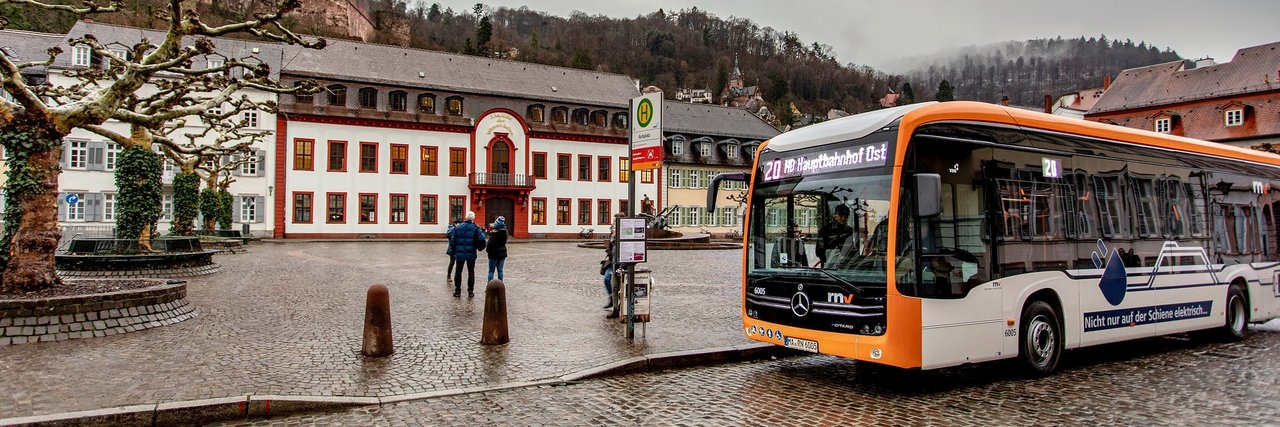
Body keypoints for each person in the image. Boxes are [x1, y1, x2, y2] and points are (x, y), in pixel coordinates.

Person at [448, 211, 487, 298]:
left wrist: (453, 251)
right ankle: (470, 291)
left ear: (465, 217)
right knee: (471, 272)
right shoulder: (476, 228)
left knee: (458, 272)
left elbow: (452, 240)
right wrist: (480, 247)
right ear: (473, 218)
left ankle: (457, 291)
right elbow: (482, 239)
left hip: (459, 253)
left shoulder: (458, 227)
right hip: (471, 253)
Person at [486, 216, 509, 282]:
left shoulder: (494, 234)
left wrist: (488, 251)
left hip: (493, 254)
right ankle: (501, 284)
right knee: (500, 270)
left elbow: (489, 245)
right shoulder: (505, 232)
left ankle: (489, 285)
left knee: (491, 271)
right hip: (502, 253)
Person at [445, 220, 460, 284]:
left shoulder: (458, 229)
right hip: (453, 248)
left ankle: (456, 277)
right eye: (459, 224)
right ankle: (449, 276)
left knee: (458, 264)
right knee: (452, 262)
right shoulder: (452, 229)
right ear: (456, 224)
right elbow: (448, 235)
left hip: (458, 248)